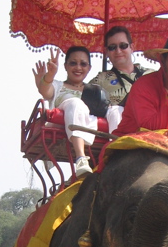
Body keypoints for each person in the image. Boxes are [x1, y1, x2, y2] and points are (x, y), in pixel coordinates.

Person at [33, 46, 122, 177]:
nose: (78, 68)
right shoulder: (58, 86)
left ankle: (118, 155)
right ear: (65, 66)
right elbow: (45, 91)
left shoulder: (94, 90)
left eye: (83, 64)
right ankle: (81, 158)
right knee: (76, 103)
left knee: (117, 109)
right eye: (73, 63)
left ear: (89, 68)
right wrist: (49, 75)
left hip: (90, 122)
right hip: (65, 121)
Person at [89, 26, 153, 131]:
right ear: (106, 52)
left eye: (123, 46)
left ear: (132, 47)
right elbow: (80, 97)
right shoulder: (101, 79)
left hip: (152, 129)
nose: (118, 51)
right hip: (122, 130)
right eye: (112, 47)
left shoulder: (151, 75)